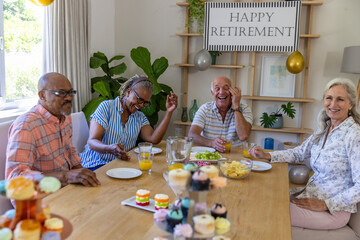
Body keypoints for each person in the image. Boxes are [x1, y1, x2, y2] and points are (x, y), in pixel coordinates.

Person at [249, 78, 360, 230]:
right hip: (311, 195)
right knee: (260, 195)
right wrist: (268, 156)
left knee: (267, 210)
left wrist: (326, 204)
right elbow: (300, 153)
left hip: (333, 211)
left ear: (351, 104)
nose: (333, 104)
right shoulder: (326, 126)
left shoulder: (354, 134)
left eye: (340, 99)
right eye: (329, 98)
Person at [6, 72, 100, 187]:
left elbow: (69, 150)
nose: (69, 98)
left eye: (71, 92)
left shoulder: (65, 117)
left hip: (66, 188)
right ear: (42, 95)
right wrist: (66, 176)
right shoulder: (26, 126)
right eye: (61, 93)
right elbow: (16, 178)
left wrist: (84, 174)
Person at [80, 75, 178, 170]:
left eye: (145, 102)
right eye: (139, 99)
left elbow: (154, 139)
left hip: (118, 167)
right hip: (95, 165)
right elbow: (92, 142)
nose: (141, 105)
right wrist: (109, 148)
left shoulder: (139, 117)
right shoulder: (106, 107)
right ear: (128, 92)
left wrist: (169, 112)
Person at [188, 76, 252, 152]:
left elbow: (243, 136)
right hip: (210, 156)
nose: (221, 92)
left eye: (226, 88)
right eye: (217, 89)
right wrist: (212, 143)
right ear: (212, 93)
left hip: (236, 158)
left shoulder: (244, 109)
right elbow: (192, 136)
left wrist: (236, 107)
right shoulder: (205, 109)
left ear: (232, 92)